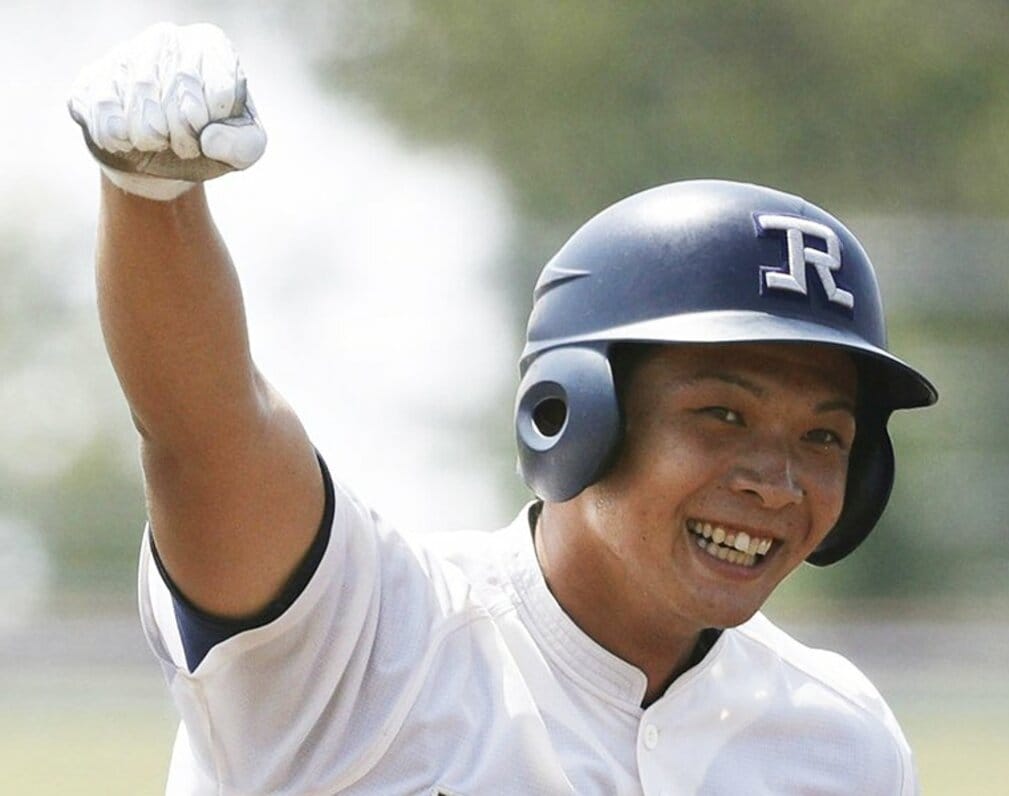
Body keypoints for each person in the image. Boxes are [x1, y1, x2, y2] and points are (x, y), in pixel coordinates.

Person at [70, 22, 937, 796]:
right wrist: (151, 202)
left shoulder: (842, 745)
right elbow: (206, 432)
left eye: (825, 435)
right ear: (571, 413)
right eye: (724, 415)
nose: (779, 483)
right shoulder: (370, 639)